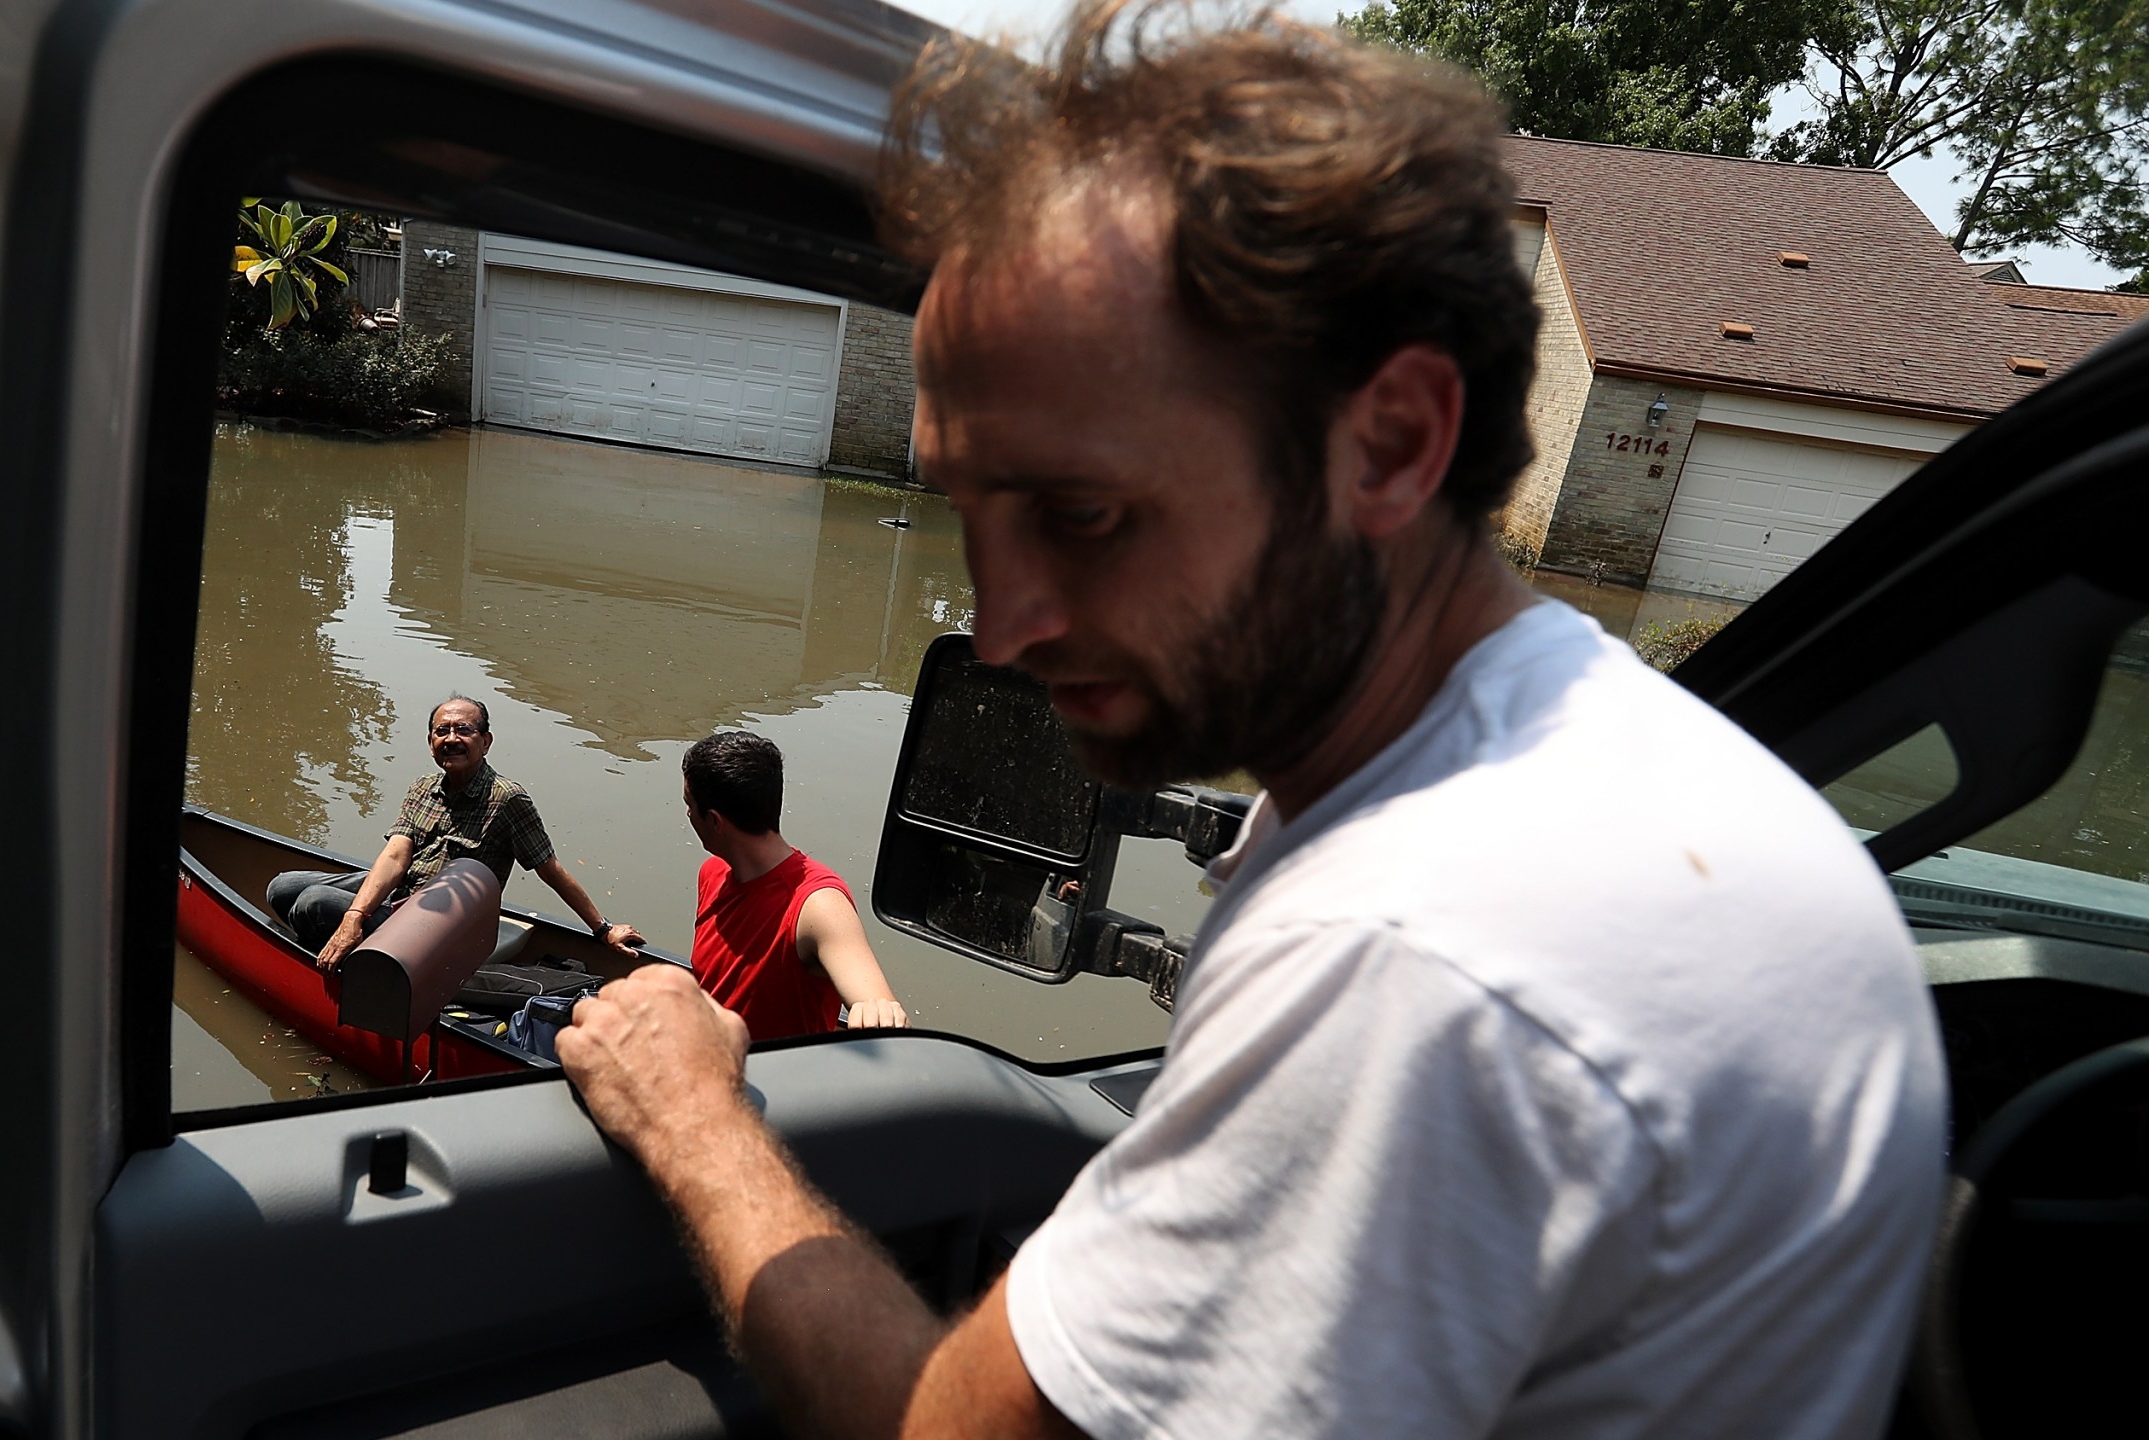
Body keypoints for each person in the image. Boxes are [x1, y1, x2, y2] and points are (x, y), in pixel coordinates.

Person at [555, 7, 1946, 1440]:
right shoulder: (1586, 760)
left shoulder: (1422, 958)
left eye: (1084, 513)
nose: (1008, 623)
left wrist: (692, 1120)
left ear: (1391, 443)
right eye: (973, 514)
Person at [268, 695, 642, 969]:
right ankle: (347, 945)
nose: (451, 738)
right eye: (441, 730)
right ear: (430, 742)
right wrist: (355, 915)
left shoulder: (507, 799)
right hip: (403, 893)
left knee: (312, 905)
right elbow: (396, 857)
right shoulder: (423, 788)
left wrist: (602, 930)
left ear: (486, 741)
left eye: (464, 730)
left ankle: (349, 969)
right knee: (281, 887)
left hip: (441, 926)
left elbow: (550, 869)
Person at [680, 730, 909, 1038]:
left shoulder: (817, 904)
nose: (687, 814)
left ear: (715, 821)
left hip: (779, 1079)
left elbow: (872, 998)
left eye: (690, 805)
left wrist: (878, 1010)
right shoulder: (712, 873)